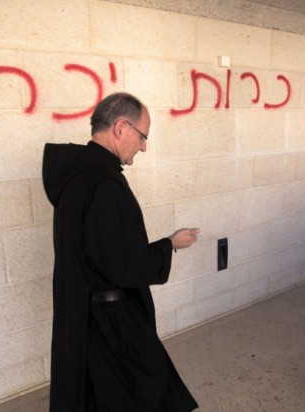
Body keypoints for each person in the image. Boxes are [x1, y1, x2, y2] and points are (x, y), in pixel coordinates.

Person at [42, 92, 200, 412]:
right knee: (145, 389)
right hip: (111, 324)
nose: (143, 146)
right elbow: (124, 265)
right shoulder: (104, 184)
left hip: (87, 316)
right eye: (142, 136)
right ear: (121, 128)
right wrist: (170, 244)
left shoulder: (77, 176)